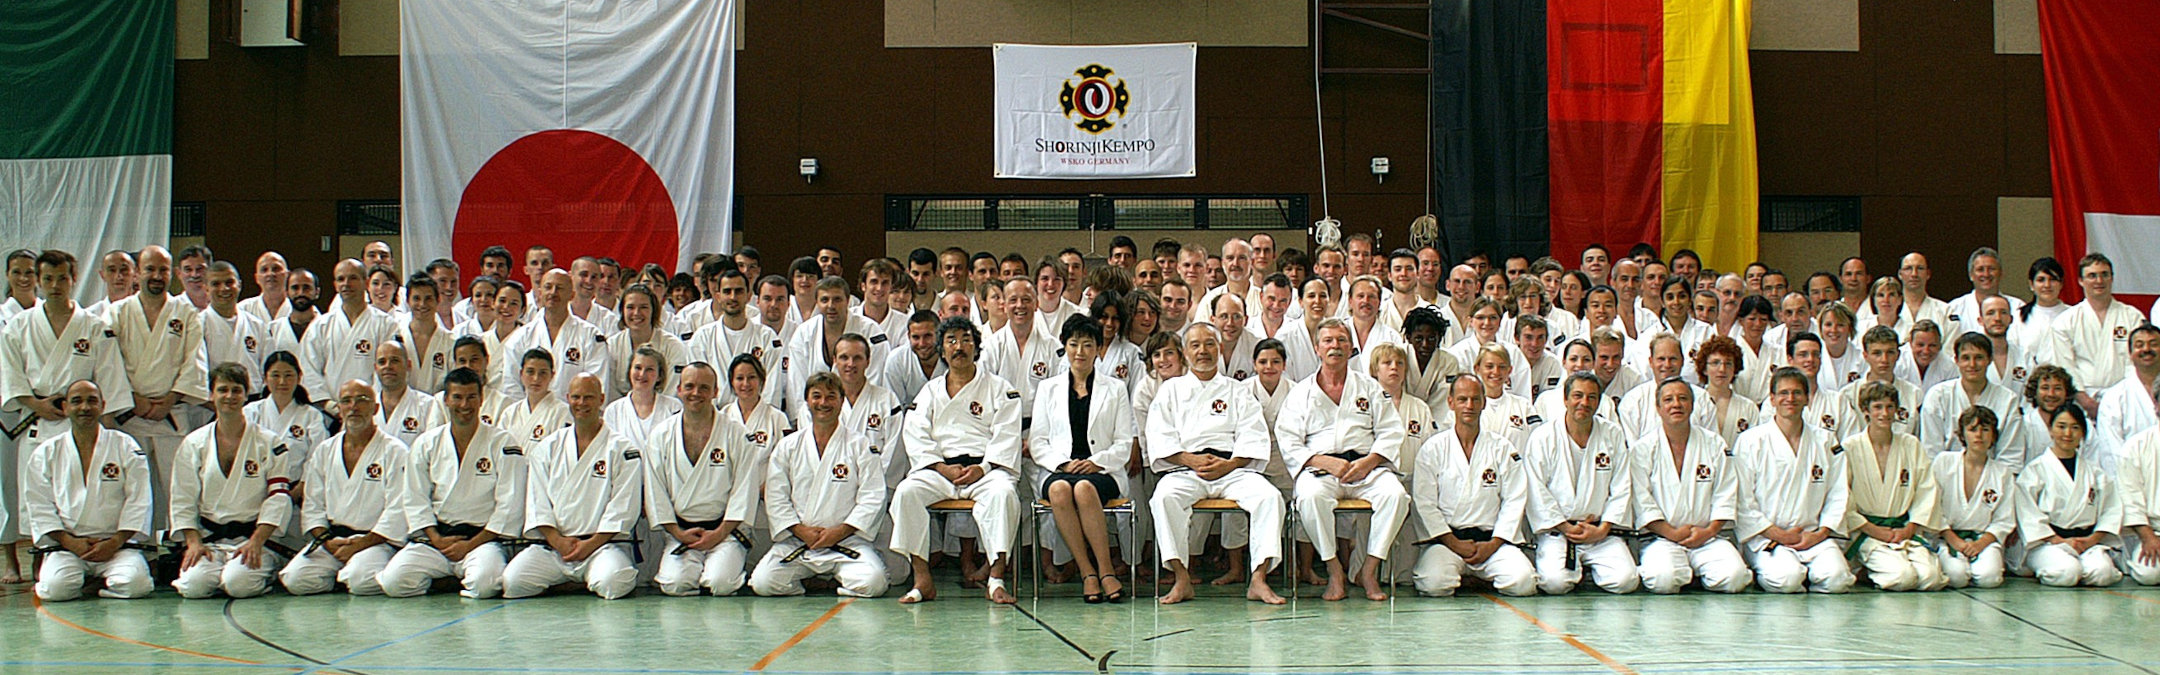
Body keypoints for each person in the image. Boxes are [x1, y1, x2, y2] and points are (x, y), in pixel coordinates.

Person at [2, 250, 134, 583]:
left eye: (62, 278)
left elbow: (109, 381)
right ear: (38, 281)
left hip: (85, 423)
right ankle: (44, 551)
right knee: (39, 495)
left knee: (85, 494)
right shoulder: (19, 326)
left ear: (74, 279)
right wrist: (36, 404)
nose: (55, 285)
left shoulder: (94, 326)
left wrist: (103, 425)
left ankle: (91, 554)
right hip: (39, 423)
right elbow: (11, 377)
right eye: (47, 279)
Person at [1147, 322, 1286, 605]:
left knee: (1270, 497)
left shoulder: (1237, 390)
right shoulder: (1171, 390)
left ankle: (1258, 578)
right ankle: (1181, 577)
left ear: (1220, 348)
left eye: (1209, 344)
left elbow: (1253, 435)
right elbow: (1160, 436)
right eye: (1195, 345)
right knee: (1163, 498)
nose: (1203, 351)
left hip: (1231, 468)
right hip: (1187, 468)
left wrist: (1230, 464)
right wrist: (1189, 459)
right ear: (1185, 352)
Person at [890, 316, 1024, 604]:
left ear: (976, 347)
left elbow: (1007, 435)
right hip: (941, 469)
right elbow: (915, 433)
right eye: (951, 341)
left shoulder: (999, 388)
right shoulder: (930, 391)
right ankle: (922, 579)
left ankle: (996, 578)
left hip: (985, 469)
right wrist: (941, 468)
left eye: (966, 340)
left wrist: (982, 468)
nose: (959, 346)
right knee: (906, 492)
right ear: (942, 350)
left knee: (1003, 494)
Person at [1277, 319, 1408, 601]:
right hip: (1321, 469)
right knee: (1311, 498)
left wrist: (1369, 462)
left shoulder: (1369, 387)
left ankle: (1369, 569)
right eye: (1328, 341)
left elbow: (1390, 430)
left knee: (1396, 496)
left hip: (1365, 467)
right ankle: (1334, 569)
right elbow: (1288, 439)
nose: (1335, 346)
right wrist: (1323, 462)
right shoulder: (1300, 393)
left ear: (1351, 348)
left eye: (1341, 340)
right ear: (1317, 349)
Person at [377, 367, 523, 599]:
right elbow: (415, 498)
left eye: (471, 397)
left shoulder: (502, 442)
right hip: (438, 539)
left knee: (484, 585)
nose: (464, 405)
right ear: (446, 399)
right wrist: (436, 538)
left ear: (481, 399)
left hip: (481, 540)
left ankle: (452, 580)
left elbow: (509, 504)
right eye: (457, 397)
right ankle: (447, 582)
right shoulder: (426, 443)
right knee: (394, 582)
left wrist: (470, 544)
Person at [751, 371, 891, 597]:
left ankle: (831, 582)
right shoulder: (788, 446)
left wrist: (840, 531)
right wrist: (800, 530)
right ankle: (811, 583)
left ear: (841, 401)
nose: (823, 403)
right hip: (799, 543)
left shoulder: (860, 445)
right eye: (816, 396)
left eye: (831, 396)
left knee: (874, 583)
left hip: (846, 542)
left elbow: (872, 497)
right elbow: (776, 496)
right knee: (763, 583)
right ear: (806, 401)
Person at [504, 374, 643, 599]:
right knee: (513, 582)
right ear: (568, 398)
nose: (581, 403)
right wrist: (557, 541)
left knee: (614, 583)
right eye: (576, 397)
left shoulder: (622, 449)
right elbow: (538, 502)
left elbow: (623, 506)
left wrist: (591, 544)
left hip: (600, 547)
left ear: (601, 399)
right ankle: (575, 582)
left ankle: (575, 582)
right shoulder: (548, 447)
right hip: (555, 548)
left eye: (589, 397)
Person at [1028, 316, 1133, 603]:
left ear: (1098, 348)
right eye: (1074, 344)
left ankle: (1106, 570)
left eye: (1088, 345)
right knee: (1060, 489)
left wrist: (1097, 462)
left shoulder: (1115, 388)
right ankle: (1088, 573)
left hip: (1102, 470)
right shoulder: (1048, 388)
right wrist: (1062, 464)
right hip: (1061, 468)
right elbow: (1037, 441)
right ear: (1065, 346)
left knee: (1085, 488)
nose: (1080, 352)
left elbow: (1124, 442)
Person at [171, 364, 294, 599]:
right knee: (193, 587)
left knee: (238, 585)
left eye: (236, 390)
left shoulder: (269, 442)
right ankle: (222, 571)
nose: (229, 396)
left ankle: (260, 571)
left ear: (246, 395)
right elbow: (182, 497)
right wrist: (193, 542)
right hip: (211, 540)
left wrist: (257, 541)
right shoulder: (194, 443)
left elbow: (278, 497)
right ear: (211, 395)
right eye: (222, 390)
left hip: (254, 539)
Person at [23, 380, 153, 601]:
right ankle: (91, 581)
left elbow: (139, 500)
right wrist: (69, 542)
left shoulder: (125, 445)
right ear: (65, 407)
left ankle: (97, 587)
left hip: (117, 546)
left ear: (102, 406)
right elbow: (38, 504)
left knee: (136, 586)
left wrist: (114, 542)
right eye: (77, 401)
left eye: (92, 401)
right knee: (55, 590)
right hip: (68, 547)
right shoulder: (46, 452)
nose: (84, 407)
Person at [1410, 374, 1536, 597]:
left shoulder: (1502, 448)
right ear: (1451, 402)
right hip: (1448, 542)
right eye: (1462, 399)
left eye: (1475, 399)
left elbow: (1514, 500)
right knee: (1434, 584)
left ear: (1484, 402)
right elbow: (1425, 503)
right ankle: (1469, 577)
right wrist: (1453, 542)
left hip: (1492, 543)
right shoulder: (1433, 449)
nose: (1469, 406)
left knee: (1523, 582)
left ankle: (1476, 577)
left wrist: (1494, 543)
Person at [644, 361, 762, 597]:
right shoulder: (661, 435)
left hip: (726, 533)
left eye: (704, 387)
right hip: (681, 534)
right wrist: (677, 532)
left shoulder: (736, 434)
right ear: (679, 390)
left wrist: (719, 533)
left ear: (715, 392)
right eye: (689, 386)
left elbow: (744, 491)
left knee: (720, 583)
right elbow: (656, 491)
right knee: (674, 584)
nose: (696, 393)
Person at [1731, 368, 1855, 594]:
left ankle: (1808, 576)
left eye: (1797, 393)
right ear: (1772, 399)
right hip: (1767, 537)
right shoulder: (1751, 441)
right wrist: (1778, 534)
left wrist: (1820, 533)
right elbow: (1743, 501)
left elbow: (1838, 494)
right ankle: (1793, 574)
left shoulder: (1826, 440)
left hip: (1813, 536)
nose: (1790, 399)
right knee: (1787, 580)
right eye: (1783, 393)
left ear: (1807, 399)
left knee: (1838, 579)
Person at [280, 380, 406, 596]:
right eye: (346, 401)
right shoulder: (324, 450)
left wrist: (360, 545)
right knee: (295, 578)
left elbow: (397, 509)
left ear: (375, 408)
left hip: (375, 541)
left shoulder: (395, 451)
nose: (353, 407)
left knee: (359, 581)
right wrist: (326, 542)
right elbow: (313, 506)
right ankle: (339, 578)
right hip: (333, 540)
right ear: (339, 409)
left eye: (362, 400)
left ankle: (348, 575)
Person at [1632, 377, 1752, 594]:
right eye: (1668, 399)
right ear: (1658, 408)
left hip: (1706, 536)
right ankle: (1685, 574)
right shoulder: (1643, 449)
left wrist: (1709, 531)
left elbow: (1725, 493)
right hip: (1662, 538)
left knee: (1734, 577)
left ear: (1692, 405)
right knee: (1663, 580)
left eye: (1683, 398)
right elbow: (1642, 499)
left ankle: (1695, 574)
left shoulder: (1714, 444)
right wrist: (1671, 532)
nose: (1676, 404)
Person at [1523, 373, 1639, 594]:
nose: (1584, 403)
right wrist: (1566, 527)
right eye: (1578, 396)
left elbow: (1622, 486)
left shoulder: (1612, 434)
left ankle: (1587, 569)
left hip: (1600, 533)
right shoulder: (1543, 437)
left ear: (1599, 402)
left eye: (1591, 397)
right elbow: (1536, 489)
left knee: (1626, 580)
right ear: (1565, 399)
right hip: (1558, 532)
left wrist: (1603, 528)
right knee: (1554, 583)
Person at [1841, 382, 1945, 591]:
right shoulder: (1850, 447)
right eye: (1878, 407)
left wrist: (1910, 527)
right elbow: (1842, 497)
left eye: (1890, 407)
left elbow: (1926, 490)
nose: (1885, 413)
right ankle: (1864, 569)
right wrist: (1872, 530)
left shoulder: (1910, 444)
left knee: (1931, 578)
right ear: (1865, 411)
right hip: (1867, 530)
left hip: (1903, 529)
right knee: (1903, 577)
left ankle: (1875, 568)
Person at [2015, 404, 2124, 587]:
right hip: (2047, 543)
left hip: (2086, 542)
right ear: (2050, 430)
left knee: (2102, 573)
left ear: (2082, 433)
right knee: (2067, 572)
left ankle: (2081, 567)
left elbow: (2110, 511)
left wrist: (2091, 540)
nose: (2067, 433)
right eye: (2061, 426)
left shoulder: (2095, 473)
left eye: (2075, 427)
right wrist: (2057, 540)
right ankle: (2068, 568)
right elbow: (2028, 514)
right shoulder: (2035, 470)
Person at [1930, 406, 2017, 589]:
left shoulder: (2003, 473)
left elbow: (2004, 520)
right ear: (1962, 434)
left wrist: (1980, 544)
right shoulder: (1944, 462)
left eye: (1985, 430)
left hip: (1984, 539)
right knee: (1956, 577)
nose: (1979, 435)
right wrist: (1954, 540)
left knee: (1989, 578)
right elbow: (1932, 507)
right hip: (1948, 537)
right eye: (1972, 429)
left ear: (1993, 436)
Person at [300, 259, 399, 407]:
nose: (346, 284)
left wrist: (370, 404)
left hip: (372, 407)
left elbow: (387, 370)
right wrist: (329, 406)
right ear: (335, 285)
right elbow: (309, 369)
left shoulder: (385, 324)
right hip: (329, 411)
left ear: (366, 283)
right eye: (341, 279)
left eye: (353, 278)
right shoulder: (320, 326)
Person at [502, 269, 610, 402]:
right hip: (530, 412)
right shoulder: (520, 337)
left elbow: (597, 384)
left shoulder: (591, 335)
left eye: (559, 288)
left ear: (572, 295)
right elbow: (511, 386)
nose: (553, 292)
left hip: (575, 411)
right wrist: (527, 412)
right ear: (540, 293)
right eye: (548, 287)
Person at [1919, 333, 2027, 460]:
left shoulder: (2007, 399)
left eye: (1979, 358)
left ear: (1990, 360)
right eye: (1966, 358)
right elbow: (1931, 452)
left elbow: (2011, 456)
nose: (1972, 364)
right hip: (1946, 471)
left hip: (1994, 471)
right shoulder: (1938, 396)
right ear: (1956, 360)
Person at [2053, 253, 2145, 399]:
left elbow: (2136, 362)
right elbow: (2065, 365)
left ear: (2112, 278)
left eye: (2104, 274)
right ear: (2081, 280)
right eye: (2092, 276)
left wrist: (2127, 395)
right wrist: (2083, 399)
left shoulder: (2132, 316)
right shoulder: (2065, 321)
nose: (2099, 281)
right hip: (2082, 397)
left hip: (2126, 395)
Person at [603, 347, 682, 447]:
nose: (642, 374)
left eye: (649, 369)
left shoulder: (674, 407)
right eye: (638, 368)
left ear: (659, 376)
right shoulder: (613, 411)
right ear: (629, 371)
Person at [374, 340, 443, 449]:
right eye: (382, 362)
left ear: (408, 365)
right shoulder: (366, 405)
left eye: (394, 361)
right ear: (375, 368)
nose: (388, 366)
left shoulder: (428, 405)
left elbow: (433, 449)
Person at [498, 349, 573, 448]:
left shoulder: (563, 412)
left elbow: (562, 450)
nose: (536, 378)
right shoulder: (510, 413)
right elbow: (499, 447)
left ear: (552, 375)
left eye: (543, 373)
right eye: (530, 372)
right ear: (521, 374)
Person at [400, 274, 456, 394]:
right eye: (416, 298)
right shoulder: (397, 338)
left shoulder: (451, 341)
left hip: (438, 404)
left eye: (428, 298)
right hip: (404, 403)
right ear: (407, 301)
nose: (422, 304)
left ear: (438, 300)